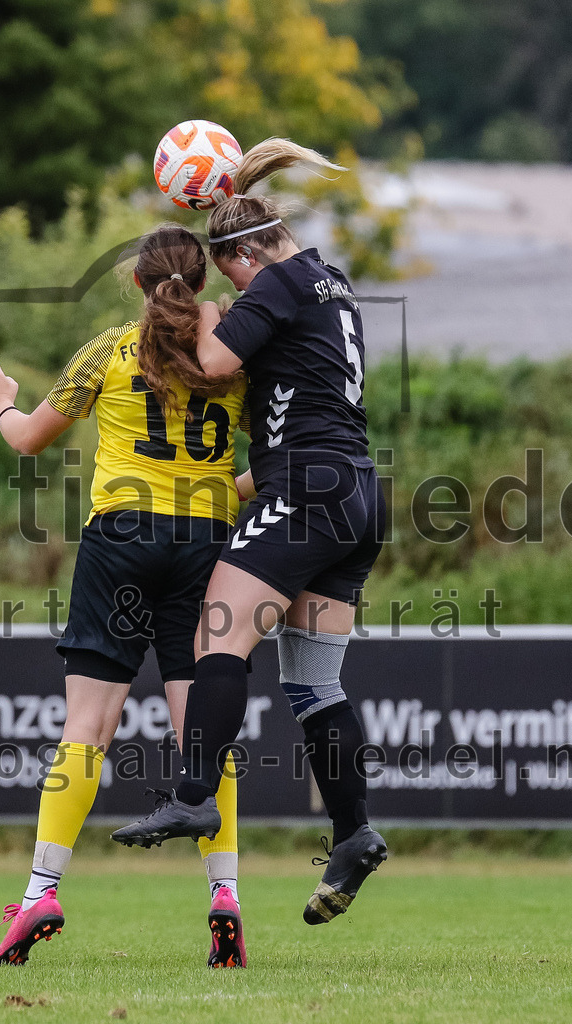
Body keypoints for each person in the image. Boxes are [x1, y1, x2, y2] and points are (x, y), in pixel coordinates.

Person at [112, 141, 389, 927]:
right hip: (355, 493)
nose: (229, 287)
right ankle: (353, 831)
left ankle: (195, 797)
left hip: (308, 491)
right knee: (313, 686)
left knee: (215, 636)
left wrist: (206, 314)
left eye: (227, 271)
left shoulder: (274, 281)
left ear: (247, 251)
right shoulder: (330, 282)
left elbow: (213, 359)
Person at [0, 225, 249, 968]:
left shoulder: (111, 350)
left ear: (136, 283)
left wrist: (0, 400)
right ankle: (224, 896)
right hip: (203, 543)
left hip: (120, 540)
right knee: (203, 734)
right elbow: (279, 457)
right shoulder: (231, 358)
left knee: (88, 725)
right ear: (200, 283)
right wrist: (223, 489)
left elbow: (30, 437)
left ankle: (40, 893)